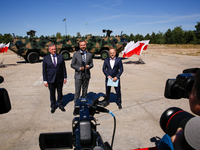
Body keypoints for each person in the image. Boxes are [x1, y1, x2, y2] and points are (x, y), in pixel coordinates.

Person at [42, 43, 67, 113]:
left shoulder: (61, 57)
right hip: (50, 79)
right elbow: (44, 70)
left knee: (60, 93)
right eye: (52, 49)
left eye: (55, 49)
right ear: (49, 50)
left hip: (59, 78)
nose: (54, 50)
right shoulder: (46, 58)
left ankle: (60, 105)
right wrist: (45, 80)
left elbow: (63, 68)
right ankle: (53, 106)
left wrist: (65, 77)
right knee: (52, 93)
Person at [71, 40, 93, 105]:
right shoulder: (75, 54)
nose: (83, 46)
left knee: (85, 91)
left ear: (85, 45)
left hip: (86, 76)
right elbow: (72, 64)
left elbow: (92, 64)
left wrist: (89, 66)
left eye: (84, 45)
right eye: (81, 45)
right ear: (79, 46)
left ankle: (84, 105)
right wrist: (79, 68)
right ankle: (76, 106)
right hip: (78, 76)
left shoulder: (89, 54)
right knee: (77, 92)